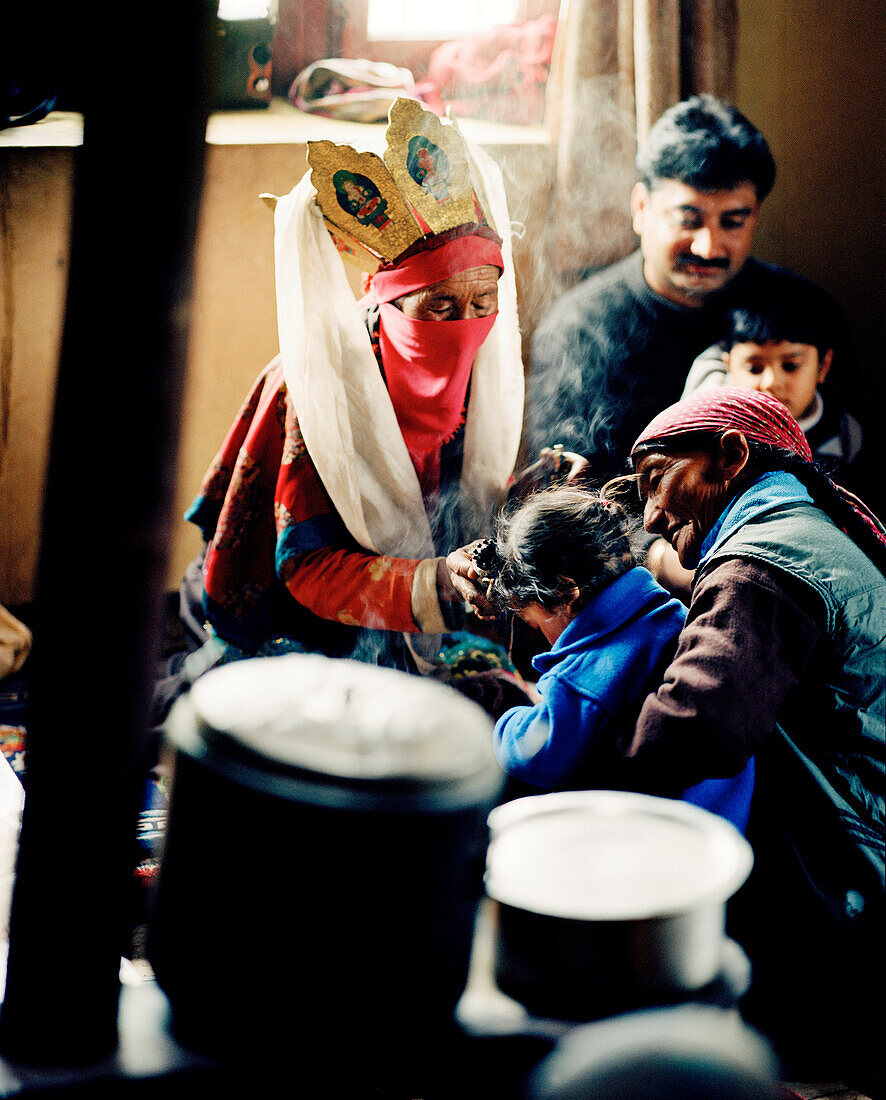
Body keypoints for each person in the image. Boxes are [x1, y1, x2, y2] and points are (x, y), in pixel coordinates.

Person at [158, 98, 533, 722]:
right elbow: (306, 565)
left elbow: (471, 499)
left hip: (431, 601)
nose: (465, 328)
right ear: (387, 302)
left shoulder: (485, 373)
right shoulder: (318, 392)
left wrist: (539, 492)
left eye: (483, 302)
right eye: (438, 307)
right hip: (308, 616)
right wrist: (435, 585)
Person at [623, 387, 884, 1092]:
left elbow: (686, 738)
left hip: (853, 879)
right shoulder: (802, 535)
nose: (650, 513)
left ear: (732, 456)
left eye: (657, 480)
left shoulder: (760, 567)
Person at [526, 95, 860, 489]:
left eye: (732, 222)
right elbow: (564, 496)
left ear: (755, 217)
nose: (708, 247)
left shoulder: (806, 318)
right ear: (641, 207)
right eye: (689, 220)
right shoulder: (580, 329)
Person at [466, 486, 754, 831]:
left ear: (565, 593)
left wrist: (505, 722)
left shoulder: (582, 677)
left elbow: (538, 758)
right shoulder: (672, 615)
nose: (541, 634)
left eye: (533, 622)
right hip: (725, 818)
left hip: (662, 841)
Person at [681, 297, 878, 515]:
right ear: (729, 367)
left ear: (823, 366)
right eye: (754, 369)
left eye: (790, 366)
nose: (771, 383)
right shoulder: (702, 426)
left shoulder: (847, 439)